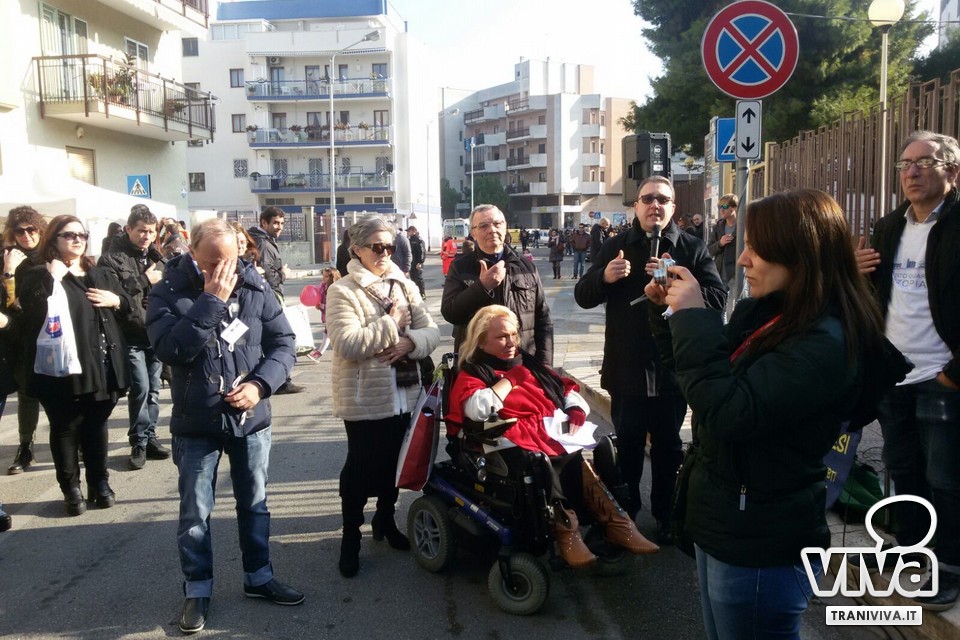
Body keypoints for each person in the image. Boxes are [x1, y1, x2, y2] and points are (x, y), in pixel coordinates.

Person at [656, 188, 899, 639]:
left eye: (757, 248)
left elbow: (728, 411)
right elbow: (700, 381)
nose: (742, 259)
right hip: (726, 520)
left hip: (761, 541)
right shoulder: (768, 314)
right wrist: (669, 314)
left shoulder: (824, 341)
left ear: (800, 256)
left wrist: (692, 317)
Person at [146, 219, 304, 634]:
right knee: (195, 512)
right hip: (197, 421)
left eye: (231, 260)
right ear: (192, 253)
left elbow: (284, 343)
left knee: (255, 503)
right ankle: (198, 589)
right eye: (213, 262)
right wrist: (211, 300)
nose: (224, 270)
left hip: (250, 418)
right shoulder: (168, 289)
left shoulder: (253, 283)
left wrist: (260, 385)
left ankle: (259, 577)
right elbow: (170, 350)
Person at [446, 305, 658, 567]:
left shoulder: (528, 362)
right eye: (501, 337)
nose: (511, 342)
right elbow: (477, 409)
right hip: (506, 438)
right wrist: (510, 380)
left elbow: (563, 388)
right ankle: (566, 531)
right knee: (545, 462)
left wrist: (575, 409)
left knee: (588, 454)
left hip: (548, 429)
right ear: (481, 341)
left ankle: (616, 521)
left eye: (513, 335)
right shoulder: (474, 371)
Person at [574, 177, 726, 544]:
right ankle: (626, 516)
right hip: (626, 367)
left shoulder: (691, 247)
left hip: (672, 367)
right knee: (627, 446)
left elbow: (718, 300)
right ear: (636, 205)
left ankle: (666, 514)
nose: (654, 205)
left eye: (662, 199)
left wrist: (680, 286)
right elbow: (582, 296)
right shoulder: (615, 246)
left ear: (673, 207)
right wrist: (604, 277)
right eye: (647, 199)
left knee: (669, 448)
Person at [855, 130, 960, 611]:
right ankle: (913, 547)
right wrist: (856, 270)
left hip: (943, 376)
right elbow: (875, 296)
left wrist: (955, 373)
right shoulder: (888, 226)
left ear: (951, 172)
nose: (911, 172)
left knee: (947, 479)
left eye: (924, 162)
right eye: (904, 164)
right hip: (894, 372)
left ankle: (950, 565)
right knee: (903, 470)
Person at [326, 215, 440, 578]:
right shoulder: (343, 290)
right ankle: (350, 537)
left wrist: (410, 342)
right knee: (360, 471)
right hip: (365, 399)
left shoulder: (404, 284)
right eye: (377, 247)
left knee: (396, 466)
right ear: (357, 249)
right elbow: (347, 344)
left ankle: (385, 520)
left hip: (406, 394)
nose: (385, 253)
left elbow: (432, 331)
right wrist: (392, 324)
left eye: (390, 246)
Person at [18, 215, 129, 515]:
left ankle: (99, 482)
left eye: (82, 235)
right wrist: (52, 279)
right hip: (61, 368)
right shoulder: (38, 273)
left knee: (97, 424)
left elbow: (128, 309)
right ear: (53, 239)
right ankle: (71, 489)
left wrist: (117, 301)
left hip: (102, 364)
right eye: (69, 235)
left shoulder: (98, 272)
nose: (78, 240)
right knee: (65, 427)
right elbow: (30, 312)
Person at [98, 205, 170, 470]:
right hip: (129, 335)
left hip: (155, 333)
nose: (146, 236)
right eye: (141, 231)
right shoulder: (111, 259)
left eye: (150, 231)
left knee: (154, 389)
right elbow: (111, 295)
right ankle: (138, 441)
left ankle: (150, 436)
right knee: (140, 388)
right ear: (128, 229)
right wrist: (144, 280)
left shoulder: (155, 257)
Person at [442, 204, 553, 365]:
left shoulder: (525, 266)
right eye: (483, 226)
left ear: (505, 227)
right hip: (477, 366)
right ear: (473, 233)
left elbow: (543, 320)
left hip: (522, 363)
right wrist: (482, 287)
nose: (492, 230)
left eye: (497, 224)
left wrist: (545, 366)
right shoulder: (460, 267)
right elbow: (450, 313)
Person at [2, 206, 46, 474]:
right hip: (20, 335)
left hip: (50, 331)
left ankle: (74, 442)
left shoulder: (50, 254)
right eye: (19, 231)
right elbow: (7, 304)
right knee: (27, 394)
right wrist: (8, 272)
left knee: (61, 393)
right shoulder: (8, 258)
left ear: (40, 228)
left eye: (31, 229)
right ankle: (25, 447)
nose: (26, 235)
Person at [248, 207, 303, 395]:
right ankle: (280, 380)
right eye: (276, 223)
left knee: (272, 339)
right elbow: (268, 276)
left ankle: (278, 379)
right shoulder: (263, 244)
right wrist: (283, 274)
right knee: (279, 339)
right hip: (270, 297)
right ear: (264, 222)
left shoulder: (264, 241)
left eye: (282, 223)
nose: (280, 227)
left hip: (268, 296)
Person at [708, 194, 739, 320]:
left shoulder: (743, 225)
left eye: (725, 206)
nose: (721, 209)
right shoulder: (718, 227)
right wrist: (720, 244)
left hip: (737, 271)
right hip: (720, 271)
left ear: (734, 208)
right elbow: (708, 250)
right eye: (719, 206)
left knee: (733, 307)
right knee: (719, 307)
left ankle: (731, 329)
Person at [314, 267, 340, 356]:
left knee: (329, 335)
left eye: (326, 276)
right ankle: (320, 353)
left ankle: (319, 353)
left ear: (332, 278)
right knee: (328, 335)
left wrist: (322, 306)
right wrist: (318, 305)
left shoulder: (335, 289)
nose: (323, 278)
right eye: (323, 275)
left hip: (335, 316)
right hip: (327, 316)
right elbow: (316, 294)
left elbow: (334, 304)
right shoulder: (322, 286)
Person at [406, 225, 426, 297]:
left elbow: (422, 252)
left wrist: (420, 262)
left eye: (409, 231)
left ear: (413, 231)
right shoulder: (409, 240)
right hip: (412, 262)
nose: (408, 233)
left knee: (418, 279)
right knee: (413, 279)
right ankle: (416, 294)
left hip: (417, 263)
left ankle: (422, 293)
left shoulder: (418, 240)